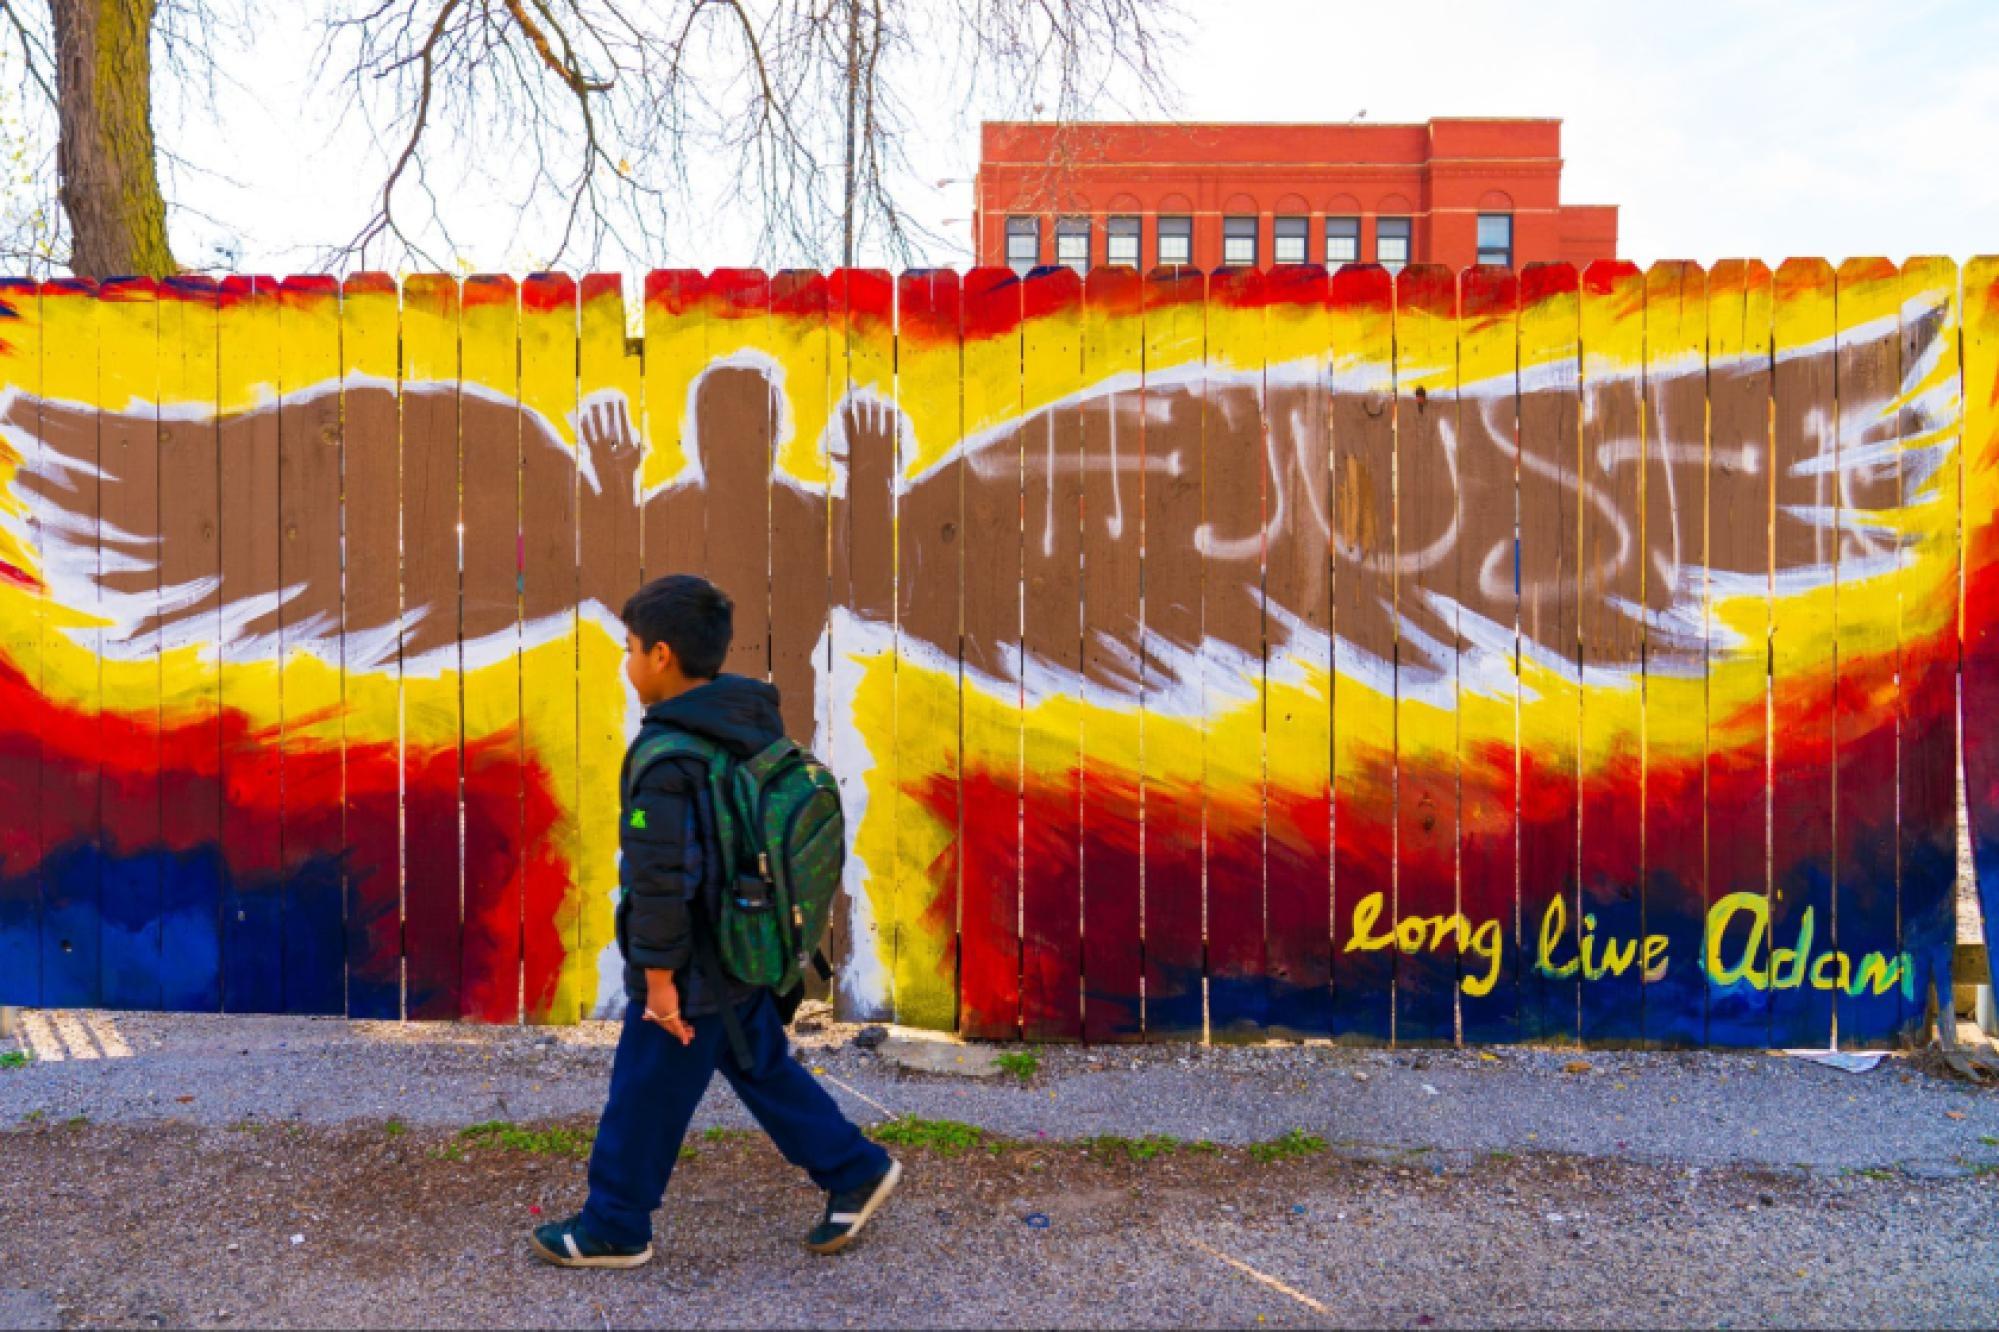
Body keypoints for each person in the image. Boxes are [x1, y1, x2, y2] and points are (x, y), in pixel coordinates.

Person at [531, 574, 900, 1269]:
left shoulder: (668, 758)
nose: (627, 660)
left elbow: (661, 881)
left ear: (662, 655)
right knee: (757, 1061)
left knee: (645, 1093)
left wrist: (660, 982)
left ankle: (614, 1226)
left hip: (692, 965)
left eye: (631, 648)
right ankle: (852, 1169)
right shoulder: (741, 724)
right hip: (740, 943)